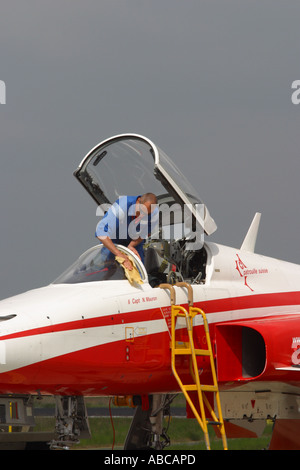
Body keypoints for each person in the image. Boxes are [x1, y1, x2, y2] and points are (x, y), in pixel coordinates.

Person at [95, 193, 158, 271]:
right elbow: (101, 232)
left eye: (146, 214)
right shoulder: (122, 206)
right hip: (113, 241)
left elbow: (144, 233)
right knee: (106, 272)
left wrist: (131, 246)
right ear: (138, 201)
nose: (142, 216)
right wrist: (119, 254)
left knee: (138, 271)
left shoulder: (154, 213)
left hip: (134, 242)